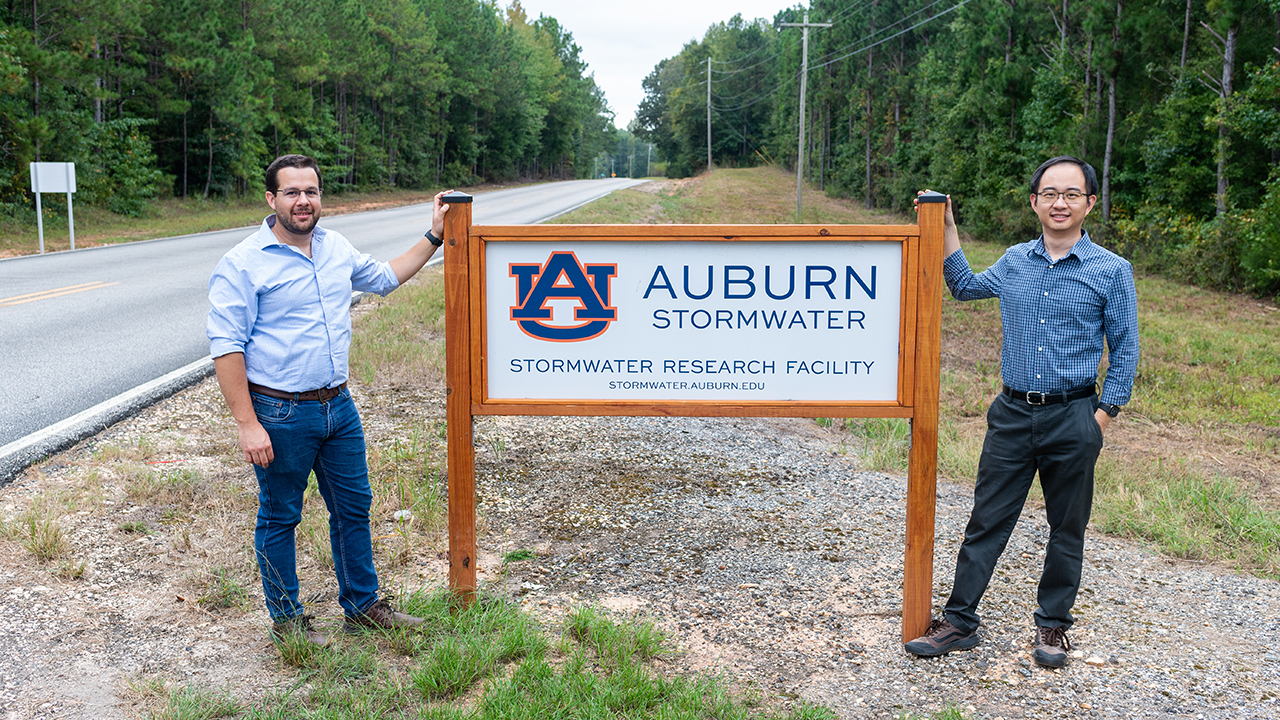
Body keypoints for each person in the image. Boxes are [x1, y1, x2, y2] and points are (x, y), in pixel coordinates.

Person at [207, 154, 451, 647]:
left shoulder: (335, 247)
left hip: (338, 407)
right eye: (292, 192)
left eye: (311, 192)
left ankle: (362, 606)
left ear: (321, 197)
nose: (303, 201)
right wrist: (247, 424)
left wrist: (435, 237)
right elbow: (227, 346)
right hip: (279, 413)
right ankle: (288, 623)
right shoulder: (243, 263)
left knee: (354, 508)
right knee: (281, 515)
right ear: (271, 198)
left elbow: (384, 277)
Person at [905, 156, 1139, 668]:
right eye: (1050, 193)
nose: (1060, 202)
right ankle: (959, 622)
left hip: (1073, 416)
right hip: (1012, 415)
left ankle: (1053, 628)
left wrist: (1101, 418)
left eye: (1071, 194)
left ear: (1089, 204)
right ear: (1034, 201)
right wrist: (947, 228)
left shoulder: (1112, 271)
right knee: (987, 520)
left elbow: (1125, 349)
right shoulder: (1014, 261)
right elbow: (964, 287)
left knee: (1067, 527)